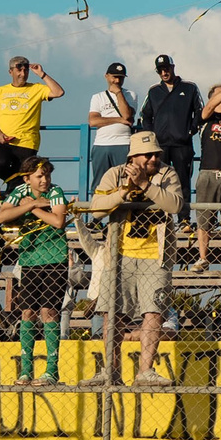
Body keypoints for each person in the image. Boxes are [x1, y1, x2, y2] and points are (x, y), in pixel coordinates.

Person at [80, 132, 182, 387]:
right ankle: (111, 370)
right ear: (133, 156)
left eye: (156, 154)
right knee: (112, 313)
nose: (153, 158)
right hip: (119, 254)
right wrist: (125, 190)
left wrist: (147, 186)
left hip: (156, 256)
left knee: (154, 312)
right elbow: (96, 208)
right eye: (148, 155)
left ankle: (145, 371)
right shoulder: (114, 174)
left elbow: (175, 206)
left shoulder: (167, 175)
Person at [0, 163, 69, 383]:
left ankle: (51, 370)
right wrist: (32, 205)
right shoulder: (20, 192)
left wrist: (33, 207)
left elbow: (58, 221)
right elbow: (2, 217)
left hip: (55, 259)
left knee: (49, 312)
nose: (44, 180)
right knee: (27, 312)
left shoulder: (56, 192)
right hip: (29, 260)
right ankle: (26, 370)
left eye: (46, 175)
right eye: (39, 176)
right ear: (27, 179)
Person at [0, 55, 63, 186]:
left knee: (24, 174)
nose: (23, 73)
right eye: (19, 70)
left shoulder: (36, 88)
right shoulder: (0, 91)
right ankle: (13, 186)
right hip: (4, 141)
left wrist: (42, 74)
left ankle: (14, 193)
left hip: (27, 142)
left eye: (26, 70)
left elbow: (58, 92)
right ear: (11, 72)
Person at [134, 55, 203, 205]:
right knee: (158, 180)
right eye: (160, 71)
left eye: (166, 69)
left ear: (173, 67)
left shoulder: (189, 87)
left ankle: (184, 219)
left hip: (182, 144)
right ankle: (159, 217)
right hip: (160, 146)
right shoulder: (154, 91)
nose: (164, 73)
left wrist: (190, 131)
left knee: (182, 181)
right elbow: (145, 115)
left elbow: (200, 112)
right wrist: (152, 136)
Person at [85, 63, 133, 193]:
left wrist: (118, 93)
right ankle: (97, 211)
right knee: (100, 183)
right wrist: (118, 120)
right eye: (114, 77)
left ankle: (123, 213)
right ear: (107, 76)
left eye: (121, 78)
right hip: (101, 144)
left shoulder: (130, 95)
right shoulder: (97, 97)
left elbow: (127, 115)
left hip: (123, 143)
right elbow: (93, 121)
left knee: (124, 181)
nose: (117, 81)